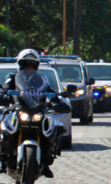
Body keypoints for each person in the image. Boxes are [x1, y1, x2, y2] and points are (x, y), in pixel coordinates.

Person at [0, 49, 69, 177]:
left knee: (53, 129)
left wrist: (58, 102)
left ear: (36, 66)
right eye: (26, 65)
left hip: (37, 110)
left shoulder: (42, 80)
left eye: (31, 65)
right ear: (20, 66)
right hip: (19, 109)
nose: (29, 68)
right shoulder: (12, 78)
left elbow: (52, 93)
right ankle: (2, 158)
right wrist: (3, 96)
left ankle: (46, 161)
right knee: (3, 124)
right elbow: (4, 90)